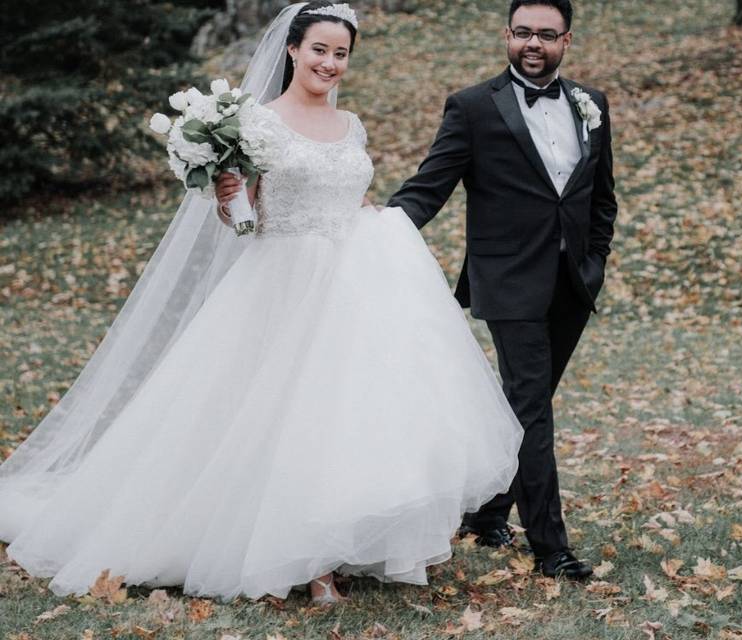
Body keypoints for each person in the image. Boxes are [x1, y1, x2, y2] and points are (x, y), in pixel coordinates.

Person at [0, 1, 523, 604]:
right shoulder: (257, 124)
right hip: (283, 279)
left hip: (358, 280)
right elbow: (243, 223)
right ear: (293, 50)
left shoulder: (351, 125)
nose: (330, 62)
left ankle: (340, 540)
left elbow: (351, 196)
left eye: (341, 53)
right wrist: (229, 197)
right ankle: (303, 559)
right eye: (319, 49)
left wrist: (375, 225)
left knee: (349, 416)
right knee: (285, 415)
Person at [385, 0, 618, 580]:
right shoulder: (471, 107)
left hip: (573, 282)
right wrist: (379, 229)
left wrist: (596, 260)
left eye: (546, 34)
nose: (532, 43)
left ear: (567, 40)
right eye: (522, 33)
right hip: (508, 279)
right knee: (534, 407)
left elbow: (601, 194)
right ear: (506, 36)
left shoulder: (593, 105)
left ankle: (487, 515)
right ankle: (551, 550)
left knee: (522, 406)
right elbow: (429, 186)